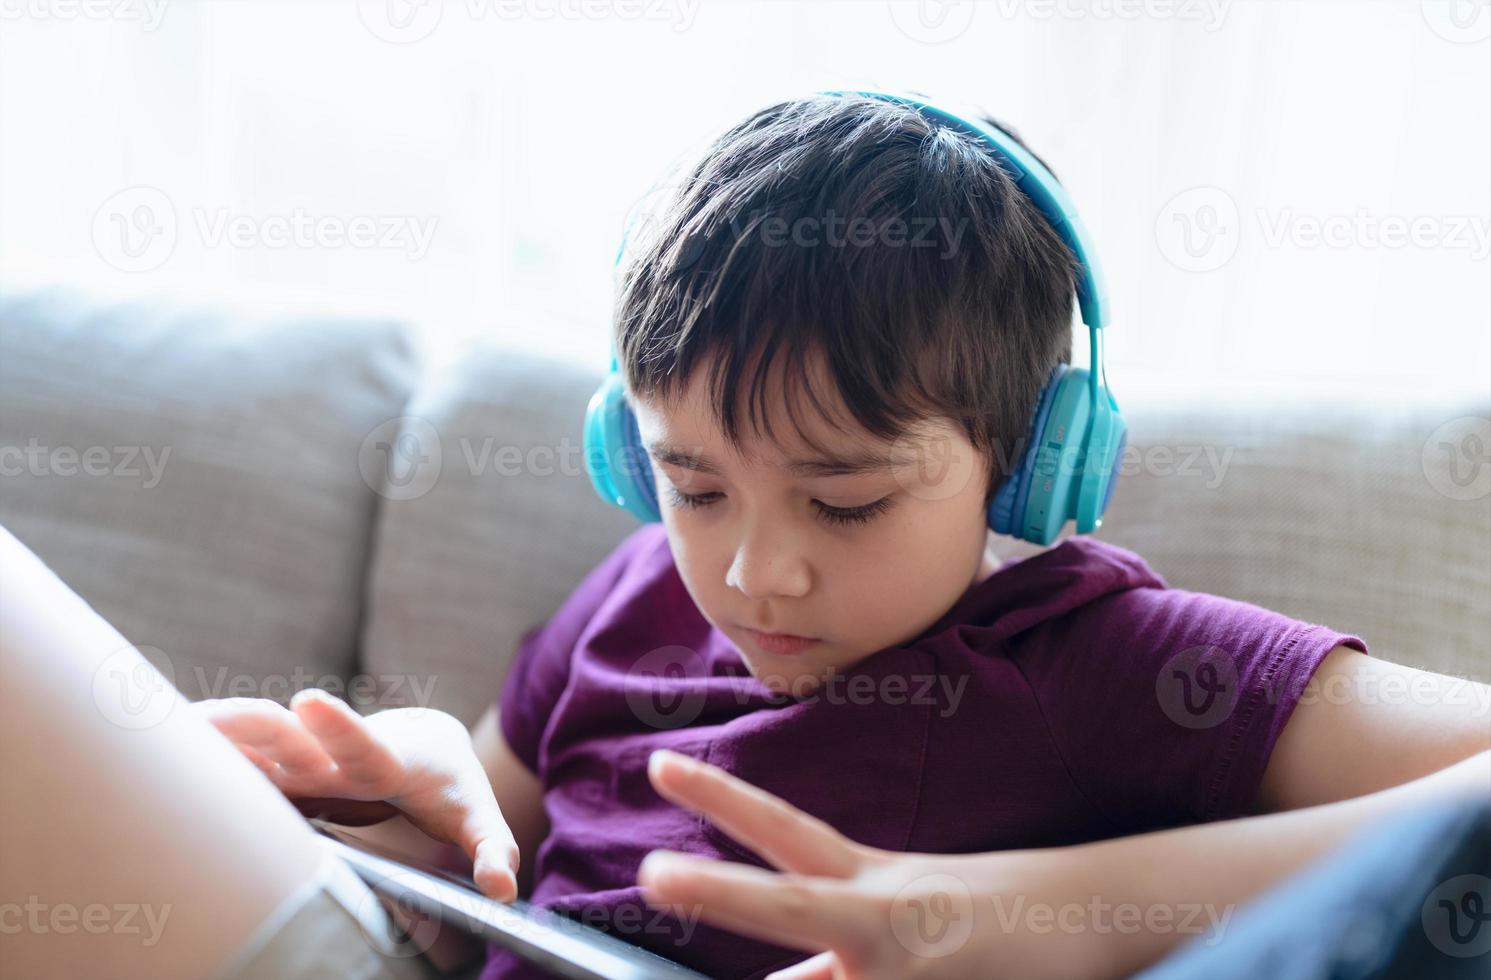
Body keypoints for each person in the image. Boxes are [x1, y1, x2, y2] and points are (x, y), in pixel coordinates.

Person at [3, 92, 1486, 980]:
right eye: (694, 483)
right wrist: (421, 802)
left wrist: (1044, 916)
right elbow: (499, 866)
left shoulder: (1109, 658)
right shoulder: (636, 591)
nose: (751, 574)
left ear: (1031, 465)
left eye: (844, 501)